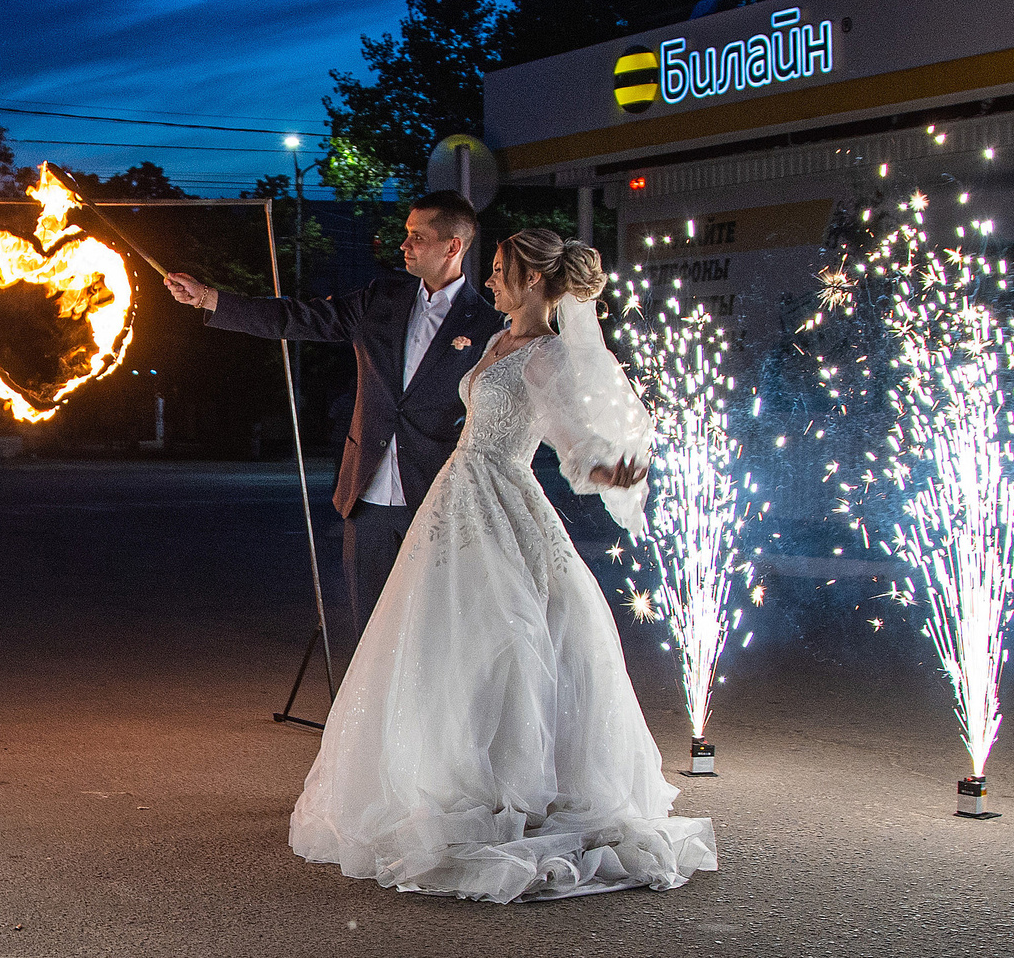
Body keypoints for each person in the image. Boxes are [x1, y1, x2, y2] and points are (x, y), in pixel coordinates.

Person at [287, 227, 718, 903]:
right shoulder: (497, 342)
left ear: (536, 282)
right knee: (448, 640)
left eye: (500, 272)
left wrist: (610, 469)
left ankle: (516, 784)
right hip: (458, 498)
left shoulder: (549, 356)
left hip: (502, 494)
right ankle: (454, 772)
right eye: (489, 270)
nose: (489, 281)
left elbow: (573, 444)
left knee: (514, 637)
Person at [164, 191, 503, 640]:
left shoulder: (488, 324)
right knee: (371, 631)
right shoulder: (380, 298)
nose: (403, 246)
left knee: (437, 629)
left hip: (439, 496)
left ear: (452, 247)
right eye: (406, 234)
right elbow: (297, 317)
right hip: (366, 495)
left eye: (417, 238)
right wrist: (210, 299)